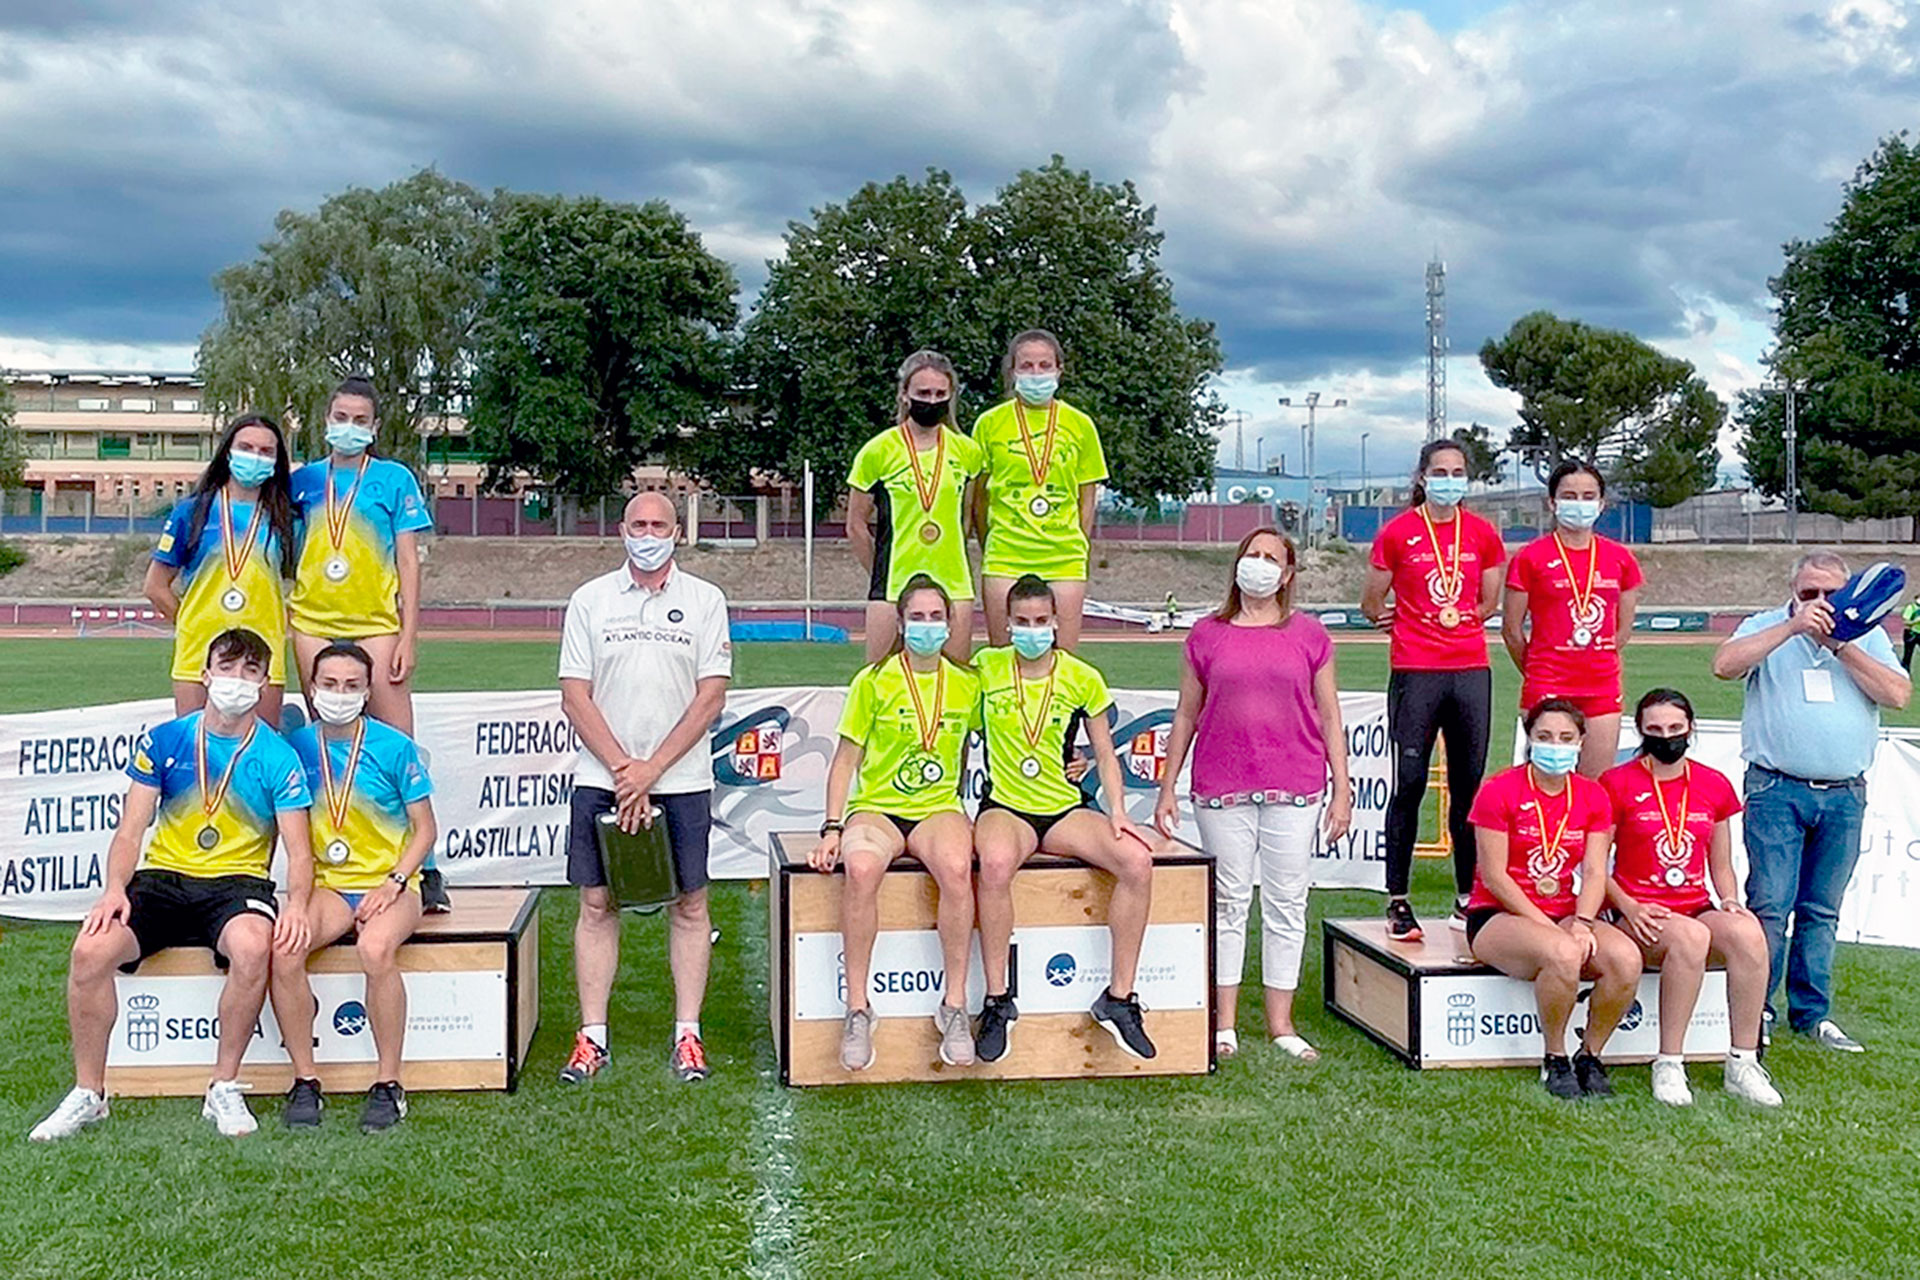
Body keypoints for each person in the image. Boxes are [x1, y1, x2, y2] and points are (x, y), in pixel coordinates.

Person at [30, 629, 315, 1142]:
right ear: (205, 675)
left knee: (253, 948)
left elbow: (299, 849)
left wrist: (298, 905)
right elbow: (130, 829)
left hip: (237, 884)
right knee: (89, 952)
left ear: (265, 682)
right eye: (227, 669)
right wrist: (115, 888)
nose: (237, 682)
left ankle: (223, 1086)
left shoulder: (278, 756)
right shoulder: (167, 740)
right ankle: (89, 1093)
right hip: (163, 879)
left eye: (251, 672)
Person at [1156, 529, 1352, 1060]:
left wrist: (1342, 787)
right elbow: (1185, 713)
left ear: (1287, 575)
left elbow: (1329, 714)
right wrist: (1168, 786)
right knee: (1228, 902)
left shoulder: (1310, 636)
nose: (1259, 565)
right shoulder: (1205, 635)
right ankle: (1223, 1023)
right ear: (1237, 564)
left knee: (1287, 903)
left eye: (1271, 558)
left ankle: (1280, 1023)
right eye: (1252, 554)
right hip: (1222, 787)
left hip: (1296, 784)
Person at [558, 492, 732, 1084]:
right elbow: (574, 694)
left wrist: (651, 769)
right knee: (597, 904)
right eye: (639, 524)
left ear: (677, 532)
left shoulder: (706, 601)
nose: (648, 533)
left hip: (681, 778)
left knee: (689, 905)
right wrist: (623, 770)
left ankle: (688, 1034)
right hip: (600, 777)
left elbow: (711, 696)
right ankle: (592, 1036)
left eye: (659, 524)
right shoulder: (589, 600)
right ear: (622, 530)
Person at [1711, 550, 1910, 1053]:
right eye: (1808, 593)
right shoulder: (1768, 626)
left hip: (1844, 793)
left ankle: (1812, 1013)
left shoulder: (1866, 634)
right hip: (1776, 787)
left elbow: (1898, 694)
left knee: (1821, 910)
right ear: (1793, 593)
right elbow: (1724, 666)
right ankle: (1756, 1008)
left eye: (1829, 594)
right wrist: (1794, 628)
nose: (1819, 603)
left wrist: (1842, 645)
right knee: (1771, 906)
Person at [972, 574, 1157, 1063]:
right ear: (1007, 624)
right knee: (992, 865)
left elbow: (1104, 752)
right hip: (1006, 808)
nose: (1032, 630)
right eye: (1021, 622)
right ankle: (996, 1001)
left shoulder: (1081, 676)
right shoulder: (986, 669)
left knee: (1137, 862)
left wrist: (1118, 811)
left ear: (1056, 622)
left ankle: (1118, 999)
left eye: (1041, 621)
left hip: (1063, 808)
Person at [809, 575, 983, 1072]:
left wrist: (1070, 758)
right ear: (901, 623)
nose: (927, 626)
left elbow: (1011, 735)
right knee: (861, 869)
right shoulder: (873, 681)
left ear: (950, 624)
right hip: (878, 808)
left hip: (936, 809)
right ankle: (858, 1008)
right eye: (917, 617)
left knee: (955, 867)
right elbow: (845, 760)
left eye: (936, 617)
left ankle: (952, 1006)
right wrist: (831, 826)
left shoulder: (968, 684)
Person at [288, 377, 446, 911]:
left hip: (376, 621)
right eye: (340, 416)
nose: (348, 427)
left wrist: (409, 633)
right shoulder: (303, 482)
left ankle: (422, 869)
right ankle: (333, 864)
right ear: (325, 420)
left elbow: (408, 562)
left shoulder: (393, 479)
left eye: (360, 420)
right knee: (330, 747)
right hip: (312, 621)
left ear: (374, 428)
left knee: (398, 743)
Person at [271, 640, 438, 1131]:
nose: (338, 694)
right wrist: (296, 901)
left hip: (392, 886)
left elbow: (425, 828)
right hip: (327, 886)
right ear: (313, 688)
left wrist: (394, 881)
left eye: (350, 686)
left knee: (375, 949)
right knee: (285, 950)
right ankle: (305, 1081)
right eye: (328, 685)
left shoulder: (393, 746)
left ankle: (388, 1084)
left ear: (367, 692)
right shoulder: (296, 748)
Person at [1600, 688, 1781, 1107]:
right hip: (1639, 909)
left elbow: (1720, 862)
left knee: (1749, 932)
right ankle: (1669, 1062)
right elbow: (1593, 865)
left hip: (1694, 903)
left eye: (1676, 729)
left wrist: (1731, 899)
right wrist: (1627, 905)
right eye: (1656, 730)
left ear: (1691, 729)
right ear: (1641, 732)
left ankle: (1743, 1060)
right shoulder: (1616, 782)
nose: (1667, 737)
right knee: (1688, 939)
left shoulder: (1712, 783)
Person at [1361, 438, 1506, 942]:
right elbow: (1371, 601)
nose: (1450, 479)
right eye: (1440, 470)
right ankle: (1397, 899)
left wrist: (1456, 619)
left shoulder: (1483, 533)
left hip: (1470, 669)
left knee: (1470, 790)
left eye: (1458, 471)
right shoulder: (1398, 532)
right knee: (1409, 783)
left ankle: (1468, 897)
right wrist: (1401, 619)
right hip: (1415, 670)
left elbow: (1488, 601)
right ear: (1423, 477)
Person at [1464, 698, 1639, 1100]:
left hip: (1564, 910)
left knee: (1625, 959)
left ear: (1581, 742)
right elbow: (1495, 875)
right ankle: (1555, 1057)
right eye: (1544, 736)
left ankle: (1590, 1055)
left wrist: (1583, 922)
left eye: (1565, 737)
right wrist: (1551, 928)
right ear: (1529, 739)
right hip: (1498, 913)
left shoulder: (1592, 796)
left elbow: (1595, 871)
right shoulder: (1499, 789)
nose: (1554, 745)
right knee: (1562, 953)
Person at [145, 414, 298, 727]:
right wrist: (192, 623)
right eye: (246, 447)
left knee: (258, 758)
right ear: (228, 451)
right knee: (198, 756)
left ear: (276, 461)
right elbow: (156, 586)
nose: (254, 456)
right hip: (199, 653)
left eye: (265, 451)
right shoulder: (192, 511)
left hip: (264, 654)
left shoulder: (286, 519)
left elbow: (305, 583)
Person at [1502, 460, 1643, 777]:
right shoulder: (1530, 558)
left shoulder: (1620, 559)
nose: (1579, 504)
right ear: (1552, 503)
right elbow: (1511, 630)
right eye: (1569, 495)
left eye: (1588, 496)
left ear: (1601, 503)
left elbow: (1622, 630)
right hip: (1547, 683)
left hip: (1601, 687)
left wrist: (1595, 657)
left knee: (1595, 790)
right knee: (1545, 784)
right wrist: (1539, 668)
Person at [972, 329, 1109, 650]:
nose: (1036, 374)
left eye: (1044, 365)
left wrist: (1077, 542)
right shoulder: (989, 423)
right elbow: (978, 498)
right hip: (1006, 553)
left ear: (1059, 369)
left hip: (1063, 555)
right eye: (1027, 366)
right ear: (1013, 371)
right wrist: (989, 539)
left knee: (1063, 661)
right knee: (1004, 658)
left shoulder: (1080, 424)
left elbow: (1086, 497)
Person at [846, 350, 985, 663]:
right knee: (881, 684)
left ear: (950, 397)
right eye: (923, 393)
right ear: (904, 394)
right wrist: (878, 573)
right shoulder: (877, 451)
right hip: (893, 584)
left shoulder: (968, 451)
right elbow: (855, 525)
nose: (931, 401)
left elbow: (966, 520)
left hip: (954, 583)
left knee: (955, 683)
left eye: (940, 394)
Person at [1901, 593, 1920, 671]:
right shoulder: (1911, 608)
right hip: (1911, 633)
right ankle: (1905, 671)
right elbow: (1906, 622)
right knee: (1908, 654)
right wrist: (1916, 621)